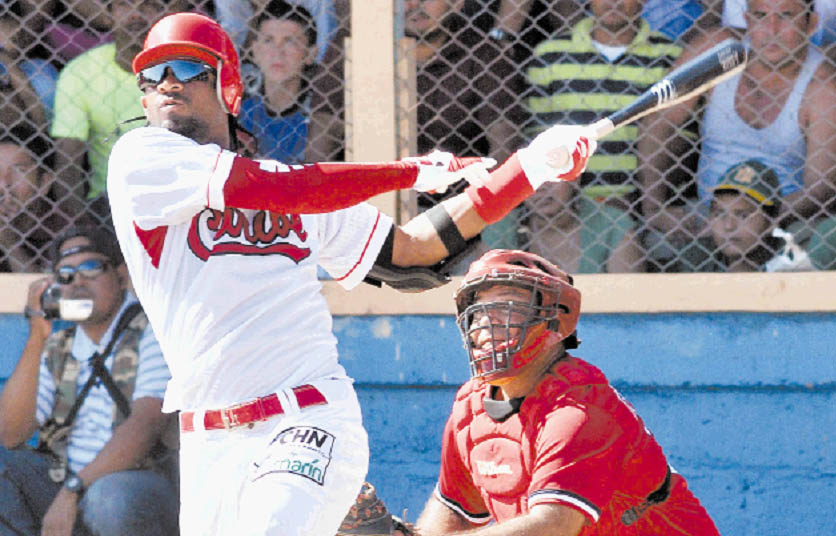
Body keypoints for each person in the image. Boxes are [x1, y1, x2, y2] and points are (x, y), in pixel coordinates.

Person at [106, 12, 596, 535]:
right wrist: (413, 170)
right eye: (152, 75)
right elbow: (282, 190)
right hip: (208, 438)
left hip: (307, 415)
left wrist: (528, 169)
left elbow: (416, 251)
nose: (167, 84)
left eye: (186, 67)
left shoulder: (299, 185)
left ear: (228, 85)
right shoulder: (140, 160)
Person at [413, 248, 720, 535]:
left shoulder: (580, 409)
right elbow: (451, 509)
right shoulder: (471, 408)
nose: (485, 325)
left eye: (506, 309)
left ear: (556, 321)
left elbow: (553, 526)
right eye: (478, 312)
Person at [0, 225, 177, 536]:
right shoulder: (59, 344)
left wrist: (73, 490)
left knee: (110, 498)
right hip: (63, 483)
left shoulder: (151, 331)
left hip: (136, 484)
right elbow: (10, 434)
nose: (78, 281)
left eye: (91, 268)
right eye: (66, 274)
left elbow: (146, 423)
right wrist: (37, 334)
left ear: (121, 275)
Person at [639, 0, 836, 242]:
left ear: (811, 24)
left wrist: (751, 219)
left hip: (786, 219)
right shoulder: (719, 49)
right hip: (707, 214)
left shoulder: (823, 85)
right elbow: (658, 122)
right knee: (644, 240)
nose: (771, 30)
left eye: (786, 16)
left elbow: (819, 189)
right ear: (746, 19)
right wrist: (654, 207)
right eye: (761, 16)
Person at [520, 0, 681, 273]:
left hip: (637, 202)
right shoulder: (550, 54)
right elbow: (537, 138)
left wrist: (638, 200)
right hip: (563, 201)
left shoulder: (668, 55)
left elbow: (675, 141)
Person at [49, 0, 201, 227]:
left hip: (181, 193)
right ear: (108, 14)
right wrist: (84, 228)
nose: (136, 14)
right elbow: (67, 164)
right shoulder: (80, 72)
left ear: (165, 15)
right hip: (111, 202)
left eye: (150, 5)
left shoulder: (188, 71)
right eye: (124, 4)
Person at [238, 1, 318, 164]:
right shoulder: (240, 114)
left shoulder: (317, 117)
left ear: (310, 54)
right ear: (255, 51)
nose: (278, 52)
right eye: (268, 40)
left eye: (290, 41)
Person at [0, 124, 62, 272]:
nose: (4, 182)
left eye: (19, 171)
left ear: (44, 183)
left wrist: (9, 242)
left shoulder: (62, 230)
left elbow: (46, 292)